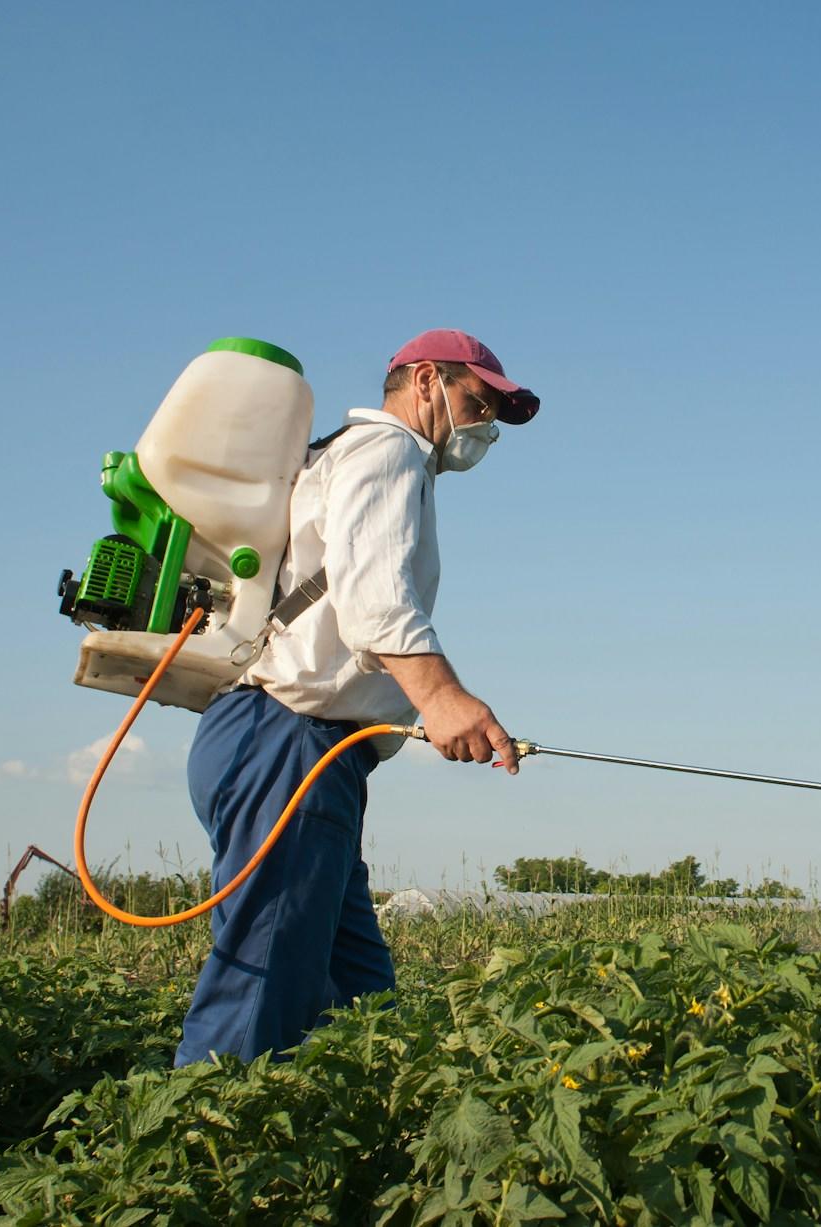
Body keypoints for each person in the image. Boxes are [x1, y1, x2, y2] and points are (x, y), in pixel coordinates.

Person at [174, 329, 539, 1067]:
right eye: (477, 401)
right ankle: (198, 1154)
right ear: (426, 380)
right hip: (289, 741)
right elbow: (374, 598)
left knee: (363, 1006)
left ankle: (373, 1154)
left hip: (299, 749)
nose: (484, 426)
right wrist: (441, 697)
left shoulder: (352, 455)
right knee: (260, 997)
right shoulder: (390, 450)